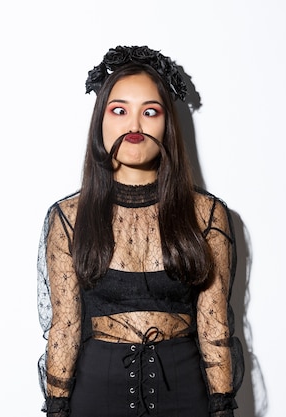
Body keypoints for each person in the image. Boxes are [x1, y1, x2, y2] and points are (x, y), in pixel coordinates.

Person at [36, 45, 244, 417]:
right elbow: (63, 328)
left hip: (186, 397)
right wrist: (56, 409)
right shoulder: (68, 217)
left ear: (167, 124)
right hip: (94, 398)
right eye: (119, 110)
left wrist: (223, 408)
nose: (134, 125)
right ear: (101, 121)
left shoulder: (207, 214)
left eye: (150, 111)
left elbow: (216, 328)